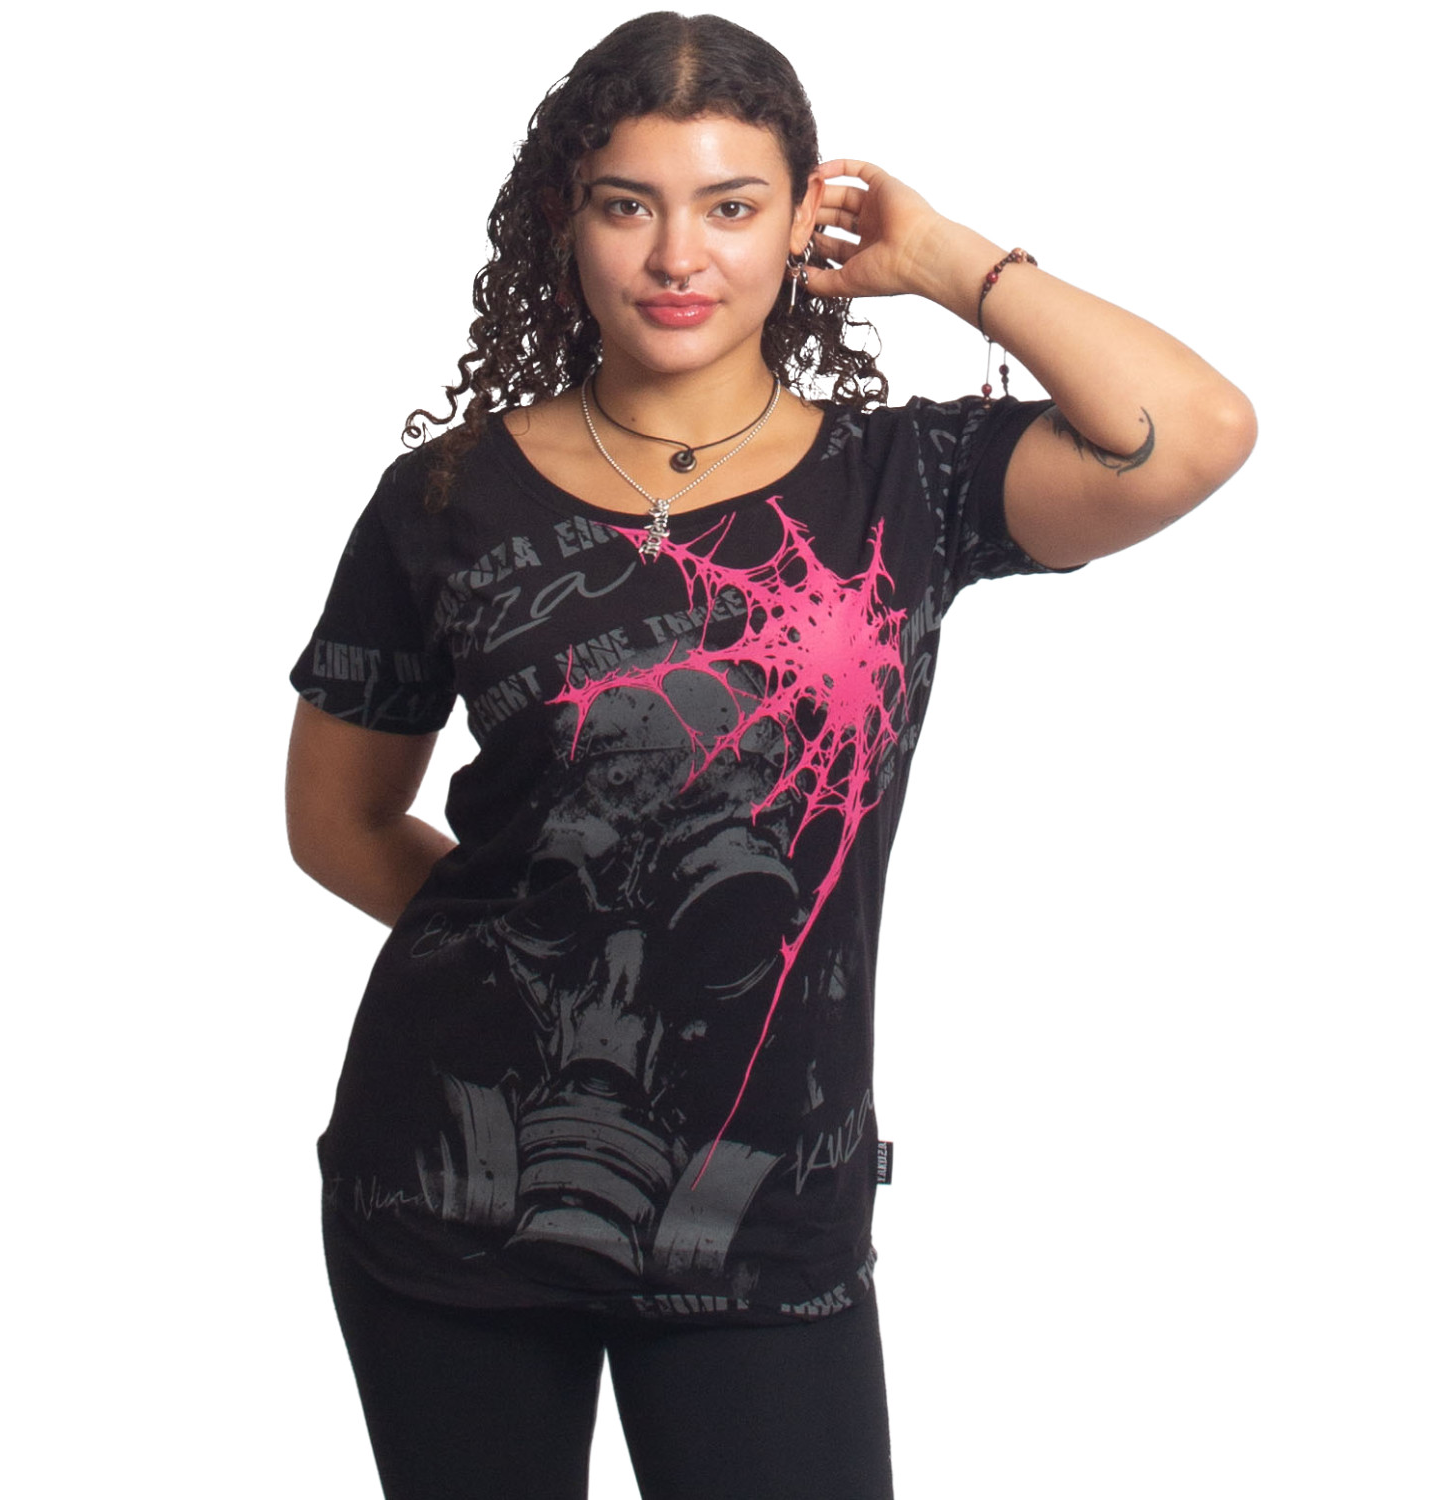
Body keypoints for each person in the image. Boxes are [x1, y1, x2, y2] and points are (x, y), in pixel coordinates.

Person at [285, 12, 1255, 1498]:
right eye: (628, 205)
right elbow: (339, 825)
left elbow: (1192, 432)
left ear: (805, 217)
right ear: (567, 220)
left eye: (732, 207)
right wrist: (548, 951)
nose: (679, 255)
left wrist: (949, 262)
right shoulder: (445, 498)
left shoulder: (905, 482)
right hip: (449, 1183)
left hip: (769, 1208)